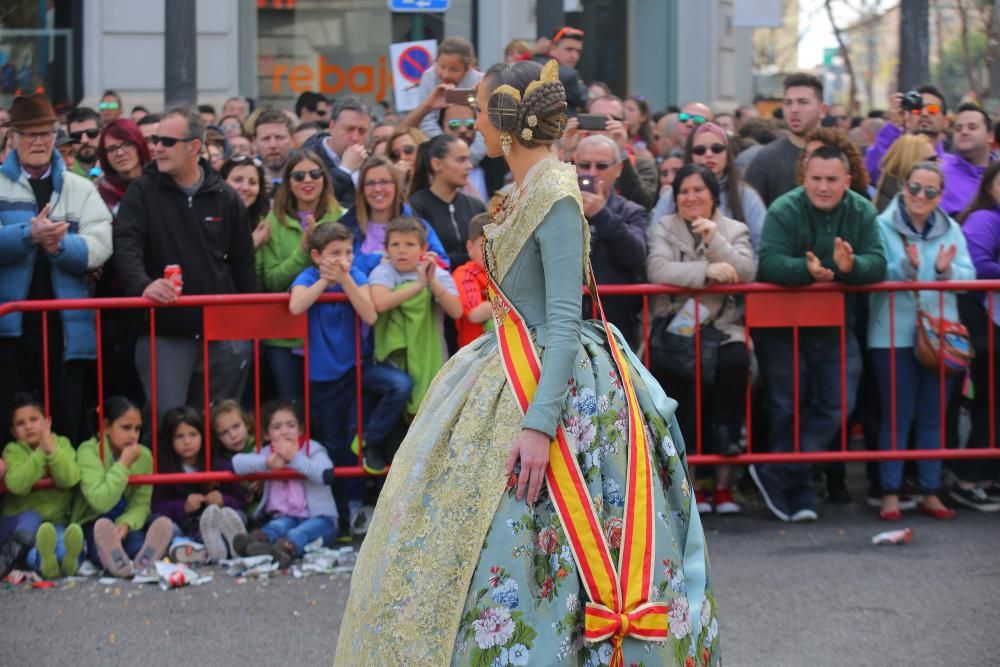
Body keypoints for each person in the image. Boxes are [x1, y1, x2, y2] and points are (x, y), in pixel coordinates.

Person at [333, 58, 717, 666]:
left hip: (550, 383)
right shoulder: (522, 191)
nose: (473, 122)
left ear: (508, 123)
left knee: (544, 531)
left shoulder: (556, 194)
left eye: (481, 111)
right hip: (503, 367)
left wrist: (539, 425)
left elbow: (564, 321)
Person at [750, 146, 887, 523]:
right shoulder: (784, 209)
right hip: (783, 328)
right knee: (786, 407)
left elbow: (878, 263)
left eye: (831, 180)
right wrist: (807, 271)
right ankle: (797, 487)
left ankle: (779, 472)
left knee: (837, 404)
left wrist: (851, 265)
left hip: (835, 327)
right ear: (803, 178)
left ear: (847, 180)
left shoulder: (861, 210)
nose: (823, 187)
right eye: (816, 179)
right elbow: (770, 263)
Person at [113, 106, 255, 430]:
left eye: (166, 141)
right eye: (155, 139)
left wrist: (245, 332)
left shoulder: (225, 196)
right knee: (169, 424)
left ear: (193, 147)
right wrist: (142, 284)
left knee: (219, 424)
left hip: (222, 333)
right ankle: (170, 483)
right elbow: (126, 244)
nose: (157, 147)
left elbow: (244, 264)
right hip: (164, 330)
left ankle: (213, 484)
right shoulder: (142, 191)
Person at [0, 92, 113, 443]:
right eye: (30, 134)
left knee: (66, 422)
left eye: (45, 134)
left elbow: (102, 243)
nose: (38, 141)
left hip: (66, 330)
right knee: (11, 424)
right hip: (10, 331)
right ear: (13, 139)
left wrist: (60, 245)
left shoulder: (80, 188)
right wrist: (28, 235)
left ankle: (65, 495)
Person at [868, 161, 974, 521]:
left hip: (941, 336)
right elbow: (875, 270)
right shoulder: (881, 225)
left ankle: (930, 491)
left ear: (940, 196)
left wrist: (946, 271)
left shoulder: (952, 229)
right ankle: (890, 495)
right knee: (896, 417)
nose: (920, 196)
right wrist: (905, 270)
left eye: (930, 191)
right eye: (915, 188)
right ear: (904, 188)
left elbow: (969, 275)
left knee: (933, 416)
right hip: (891, 335)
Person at [647, 164, 755, 515]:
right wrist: (706, 272)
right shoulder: (664, 227)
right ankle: (690, 489)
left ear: (713, 195)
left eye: (698, 190)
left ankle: (724, 486)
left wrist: (714, 241)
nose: (691, 197)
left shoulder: (733, 229)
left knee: (735, 370)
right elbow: (657, 269)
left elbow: (747, 270)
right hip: (678, 328)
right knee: (685, 404)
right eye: (683, 191)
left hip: (722, 326)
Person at [290, 223, 409, 529]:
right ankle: (343, 512)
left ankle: (372, 441)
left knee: (398, 385)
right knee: (335, 443)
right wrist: (324, 282)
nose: (343, 259)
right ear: (317, 256)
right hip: (324, 376)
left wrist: (343, 280)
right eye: (334, 254)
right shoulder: (307, 277)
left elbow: (369, 314)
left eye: (347, 252)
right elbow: (296, 305)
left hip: (358, 366)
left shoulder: (353, 276)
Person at [257, 150, 343, 402]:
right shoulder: (272, 221)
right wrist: (303, 250)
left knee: (328, 412)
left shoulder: (343, 216)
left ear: (324, 178)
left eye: (315, 173)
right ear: (288, 182)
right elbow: (273, 281)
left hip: (331, 334)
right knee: (292, 407)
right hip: (284, 335)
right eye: (298, 175)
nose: (307, 180)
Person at [70, 396, 174, 577]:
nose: (133, 435)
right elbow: (100, 501)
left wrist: (126, 523)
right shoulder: (88, 451)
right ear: (106, 426)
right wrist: (123, 464)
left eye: (137, 429)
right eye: (126, 428)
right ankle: (115, 561)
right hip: (94, 520)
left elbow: (141, 502)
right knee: (100, 544)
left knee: (136, 543)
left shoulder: (144, 456)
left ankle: (142, 558)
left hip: (125, 520)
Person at [370, 217, 462, 416]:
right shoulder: (383, 271)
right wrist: (419, 286)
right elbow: (380, 303)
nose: (401, 250)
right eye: (395, 244)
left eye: (410, 244)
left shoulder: (437, 273)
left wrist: (431, 281)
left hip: (431, 355)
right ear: (386, 248)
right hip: (393, 360)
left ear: (424, 248)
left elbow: (456, 311)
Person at [231, 400, 338, 569]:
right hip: (285, 516)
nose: (284, 432)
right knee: (276, 527)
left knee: (297, 533)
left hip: (320, 518)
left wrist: (294, 458)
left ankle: (284, 551)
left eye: (290, 425)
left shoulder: (312, 448)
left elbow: (326, 474)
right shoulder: (267, 453)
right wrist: (267, 463)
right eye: (277, 427)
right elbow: (237, 463)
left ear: (300, 429)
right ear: (266, 434)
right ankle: (254, 545)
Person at [94, 118, 152, 406]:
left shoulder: (159, 185)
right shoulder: (96, 193)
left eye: (126, 144)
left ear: (139, 145)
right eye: (112, 148)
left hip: (156, 292)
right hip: (113, 298)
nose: (120, 153)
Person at [954, 160, 1000, 510]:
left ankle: (984, 477)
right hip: (984, 322)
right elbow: (976, 264)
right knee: (991, 403)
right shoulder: (986, 218)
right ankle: (969, 478)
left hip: (990, 323)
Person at [574, 134, 648, 341]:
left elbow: (635, 256)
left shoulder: (632, 211)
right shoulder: (559, 209)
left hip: (615, 327)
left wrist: (601, 214)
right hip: (568, 323)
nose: (592, 173)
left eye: (602, 166)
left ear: (618, 170)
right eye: (585, 165)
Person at [2, 394, 83, 579]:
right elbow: (16, 484)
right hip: (27, 528)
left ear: (47, 422)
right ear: (14, 432)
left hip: (56, 521)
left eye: (34, 419)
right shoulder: (13, 450)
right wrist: (41, 452)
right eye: (20, 423)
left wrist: (52, 450)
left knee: (64, 544)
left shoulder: (61, 443)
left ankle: (71, 563)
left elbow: (70, 478)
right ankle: (43, 563)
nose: (28, 426)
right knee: (32, 551)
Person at [151, 406, 246, 562]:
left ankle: (224, 545)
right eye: (179, 437)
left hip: (216, 523)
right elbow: (157, 505)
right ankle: (194, 548)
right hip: (184, 526)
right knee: (160, 523)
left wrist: (223, 500)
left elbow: (241, 502)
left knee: (237, 516)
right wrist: (183, 507)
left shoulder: (219, 465)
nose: (187, 442)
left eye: (193, 435)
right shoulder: (164, 468)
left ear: (203, 436)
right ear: (169, 440)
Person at [651, 122, 766, 249]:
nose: (709, 154)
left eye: (717, 148)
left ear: (728, 153)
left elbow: (761, 248)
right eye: (700, 150)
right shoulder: (670, 196)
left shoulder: (746, 196)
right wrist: (704, 269)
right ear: (690, 155)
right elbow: (654, 245)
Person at [337, 155, 449, 276]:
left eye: (384, 182)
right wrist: (376, 261)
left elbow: (443, 265)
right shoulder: (345, 227)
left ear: (396, 186)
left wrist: (424, 262)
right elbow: (335, 265)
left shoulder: (419, 226)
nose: (377, 189)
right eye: (370, 183)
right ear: (362, 190)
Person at [562, 95, 659, 209]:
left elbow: (643, 204)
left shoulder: (643, 164)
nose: (603, 125)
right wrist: (567, 152)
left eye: (611, 119)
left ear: (625, 126)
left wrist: (620, 153)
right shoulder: (574, 159)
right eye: (596, 118)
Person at [745, 72, 827, 207]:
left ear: (822, 110)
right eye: (788, 103)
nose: (794, 109)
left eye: (803, 102)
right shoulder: (765, 159)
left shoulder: (842, 154)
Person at [408, 134, 486, 269]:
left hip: (478, 285)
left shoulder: (476, 206)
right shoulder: (415, 206)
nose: (469, 166)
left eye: (468, 159)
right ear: (437, 164)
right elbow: (420, 255)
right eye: (461, 160)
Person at [404, 37, 485, 162]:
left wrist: (471, 156)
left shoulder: (480, 81)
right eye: (441, 67)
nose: (446, 74)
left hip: (477, 150)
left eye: (454, 70)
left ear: (468, 68)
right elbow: (427, 121)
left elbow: (486, 122)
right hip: (440, 149)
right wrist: (447, 150)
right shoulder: (429, 77)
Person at [865, 86, 950, 186]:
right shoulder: (897, 160)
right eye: (917, 109)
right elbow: (875, 172)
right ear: (908, 119)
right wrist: (893, 126)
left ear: (945, 122)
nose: (924, 113)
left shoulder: (954, 168)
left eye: (932, 109)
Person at [303, 96, 371, 208]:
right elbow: (312, 203)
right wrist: (345, 170)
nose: (355, 137)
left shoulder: (369, 161)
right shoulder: (306, 158)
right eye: (349, 129)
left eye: (362, 131)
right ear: (331, 126)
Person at [940, 104, 996, 217]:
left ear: (990, 136)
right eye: (958, 129)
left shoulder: (997, 174)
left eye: (972, 127)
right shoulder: (940, 177)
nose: (964, 132)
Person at [451, 213, 493, 348]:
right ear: (469, 247)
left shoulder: (508, 271)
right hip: (474, 354)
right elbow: (475, 314)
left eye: (496, 245)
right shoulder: (465, 273)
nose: (490, 252)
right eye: (483, 246)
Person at [796, 126, 871, 199]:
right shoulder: (794, 200)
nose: (809, 161)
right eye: (806, 155)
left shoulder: (860, 204)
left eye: (818, 154)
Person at [872, 134, 937, 212]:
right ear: (908, 163)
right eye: (931, 160)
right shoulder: (891, 211)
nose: (937, 164)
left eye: (935, 159)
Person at [220, 154, 271, 249]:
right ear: (222, 182)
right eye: (237, 180)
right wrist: (250, 245)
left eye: (253, 182)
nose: (245, 187)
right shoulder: (208, 220)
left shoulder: (265, 223)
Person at [531, 26, 587, 112]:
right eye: (569, 49)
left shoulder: (533, 63)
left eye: (578, 51)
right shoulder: (569, 75)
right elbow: (584, 99)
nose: (574, 56)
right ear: (552, 47)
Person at [253, 108, 295, 197]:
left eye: (279, 137)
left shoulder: (308, 174)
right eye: (266, 139)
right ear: (255, 143)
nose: (273, 145)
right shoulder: (244, 177)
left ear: (292, 140)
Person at [67, 106, 103, 179]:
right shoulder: (63, 172)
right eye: (76, 136)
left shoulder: (117, 166)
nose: (84, 140)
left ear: (102, 133)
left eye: (91, 133)